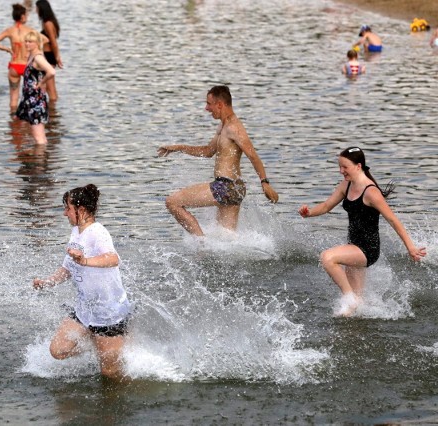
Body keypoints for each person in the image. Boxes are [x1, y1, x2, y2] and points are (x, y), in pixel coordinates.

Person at [298, 147, 426, 317]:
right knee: (353, 312)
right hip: (353, 247)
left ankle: (348, 297)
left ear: (358, 166)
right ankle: (360, 315)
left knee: (327, 258)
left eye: (345, 167)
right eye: (340, 166)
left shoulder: (371, 192)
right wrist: (310, 213)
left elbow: (393, 220)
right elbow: (327, 206)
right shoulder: (347, 184)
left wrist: (410, 247)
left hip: (367, 249)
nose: (341, 171)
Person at [33, 184, 131, 380]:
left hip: (107, 313)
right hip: (85, 308)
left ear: (82, 210)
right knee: (58, 351)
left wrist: (85, 260)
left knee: (110, 374)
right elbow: (68, 268)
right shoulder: (76, 232)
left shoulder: (97, 231)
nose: (64, 213)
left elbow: (113, 259)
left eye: (68, 208)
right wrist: (47, 283)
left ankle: (115, 346)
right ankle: (96, 344)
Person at [157, 85, 279, 236]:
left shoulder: (234, 128)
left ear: (219, 105)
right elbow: (207, 151)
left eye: (209, 104)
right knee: (225, 241)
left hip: (225, 187)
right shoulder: (223, 126)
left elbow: (253, 155)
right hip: (234, 189)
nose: (206, 108)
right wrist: (178, 147)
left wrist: (264, 182)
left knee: (172, 202)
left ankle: (201, 243)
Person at [0, 4, 43, 110]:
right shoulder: (30, 30)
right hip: (26, 66)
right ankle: (29, 121)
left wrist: (7, 49)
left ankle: (13, 121)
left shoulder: (9, 30)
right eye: (27, 15)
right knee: (30, 96)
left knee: (13, 98)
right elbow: (45, 40)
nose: (27, 17)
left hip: (14, 66)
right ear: (23, 17)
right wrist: (34, 51)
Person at [15, 31, 55, 145]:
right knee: (39, 136)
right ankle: (41, 160)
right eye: (26, 41)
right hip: (31, 98)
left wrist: (41, 83)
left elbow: (51, 71)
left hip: (35, 100)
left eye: (30, 41)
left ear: (37, 43)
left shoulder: (38, 57)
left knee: (39, 139)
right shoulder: (33, 55)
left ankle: (40, 161)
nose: (27, 44)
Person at [36, 0, 63, 102]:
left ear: (42, 9)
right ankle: (52, 112)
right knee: (48, 87)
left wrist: (57, 58)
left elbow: (53, 42)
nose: (36, 11)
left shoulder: (48, 23)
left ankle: (53, 112)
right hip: (47, 56)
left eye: (37, 9)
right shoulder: (46, 22)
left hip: (49, 56)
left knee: (50, 88)